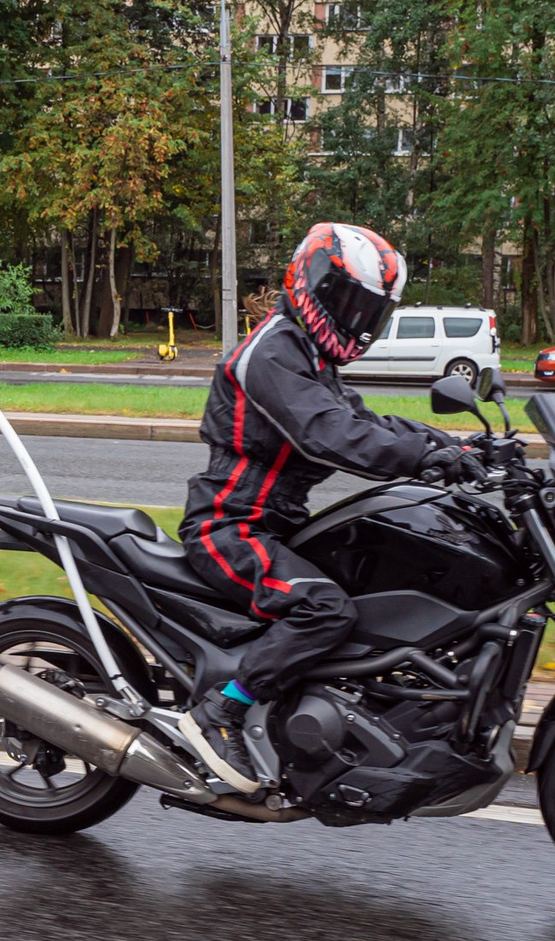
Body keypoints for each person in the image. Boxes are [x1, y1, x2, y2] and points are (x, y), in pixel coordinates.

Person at [178, 222, 484, 793]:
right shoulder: (269, 352)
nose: (358, 320)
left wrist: (455, 446)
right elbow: (330, 434)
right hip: (232, 526)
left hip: (278, 524)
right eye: (348, 302)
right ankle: (219, 716)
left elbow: (366, 421)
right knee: (325, 610)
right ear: (312, 283)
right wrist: (424, 458)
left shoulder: (311, 357)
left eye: (369, 311)